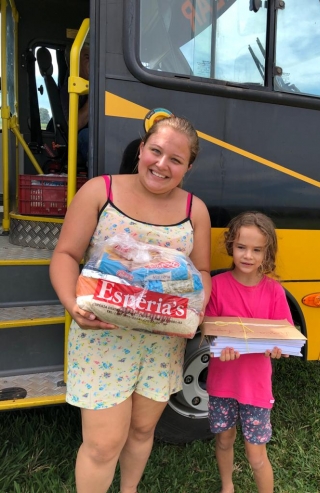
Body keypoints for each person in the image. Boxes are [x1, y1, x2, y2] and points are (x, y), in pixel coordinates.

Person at [49, 115, 211, 493]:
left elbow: (201, 270)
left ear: (188, 167)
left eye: (175, 159)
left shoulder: (194, 210)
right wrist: (72, 305)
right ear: (141, 150)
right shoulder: (98, 191)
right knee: (103, 445)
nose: (161, 164)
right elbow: (66, 255)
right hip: (103, 336)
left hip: (162, 343)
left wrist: (197, 310)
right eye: (155, 151)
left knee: (141, 431)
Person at [205, 211, 293, 493]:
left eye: (257, 250)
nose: (248, 255)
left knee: (256, 456)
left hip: (255, 388)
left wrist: (281, 349)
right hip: (222, 385)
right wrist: (219, 345)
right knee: (224, 440)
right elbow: (209, 333)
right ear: (231, 244)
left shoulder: (275, 292)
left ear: (267, 253)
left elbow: (286, 339)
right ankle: (227, 486)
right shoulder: (216, 287)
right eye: (241, 247)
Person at [60, 44, 90, 164]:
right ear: (74, 63)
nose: (93, 62)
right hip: (77, 137)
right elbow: (75, 124)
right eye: (87, 57)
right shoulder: (69, 88)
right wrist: (94, 96)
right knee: (86, 135)